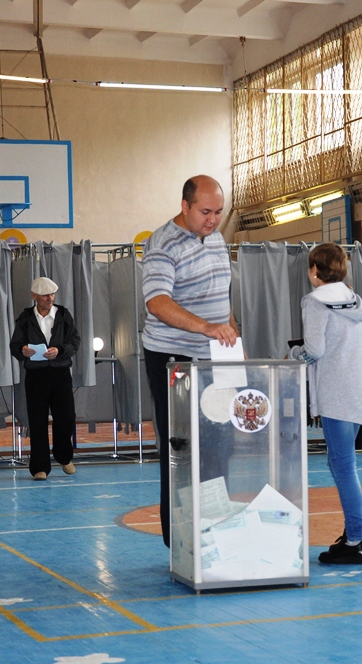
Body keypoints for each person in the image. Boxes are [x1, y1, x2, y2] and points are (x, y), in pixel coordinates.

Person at [142, 175, 238, 548]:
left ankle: (213, 529)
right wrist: (206, 328)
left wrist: (232, 337)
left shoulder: (216, 239)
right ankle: (181, 542)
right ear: (185, 206)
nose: (213, 220)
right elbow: (157, 302)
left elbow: (220, 297)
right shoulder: (162, 244)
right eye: (205, 212)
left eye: (218, 212)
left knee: (220, 444)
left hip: (215, 356)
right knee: (181, 449)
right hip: (173, 357)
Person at [290, 243, 362, 565]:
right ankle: (354, 535)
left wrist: (293, 355)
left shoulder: (314, 302)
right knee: (344, 465)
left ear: (315, 270)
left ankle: (356, 539)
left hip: (336, 393)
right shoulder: (354, 298)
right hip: (360, 389)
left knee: (343, 466)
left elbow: (314, 350)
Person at [9, 277, 81, 481]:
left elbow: (74, 340)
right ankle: (40, 467)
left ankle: (64, 456)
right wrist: (22, 350)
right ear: (34, 296)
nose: (50, 298)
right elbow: (15, 345)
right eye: (45, 295)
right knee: (37, 420)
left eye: (52, 294)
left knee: (66, 417)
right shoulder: (25, 318)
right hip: (36, 375)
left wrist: (60, 350)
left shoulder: (63, 315)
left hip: (60, 373)